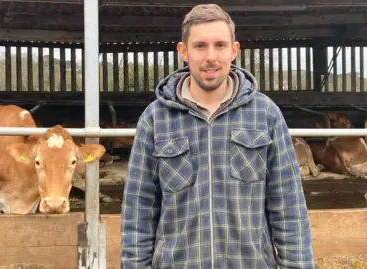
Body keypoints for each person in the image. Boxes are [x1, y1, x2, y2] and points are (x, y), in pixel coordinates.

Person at [120, 3, 315, 269]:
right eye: (200, 46)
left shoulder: (265, 114)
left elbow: (289, 205)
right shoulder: (155, 119)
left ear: (234, 50)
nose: (210, 56)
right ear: (184, 52)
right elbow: (138, 210)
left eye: (220, 45)